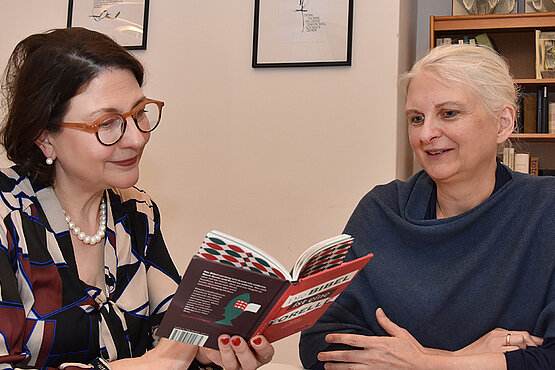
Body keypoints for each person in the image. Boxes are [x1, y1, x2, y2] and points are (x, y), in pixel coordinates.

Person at [0, 27, 274, 370]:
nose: (135, 138)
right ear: (45, 138)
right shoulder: (7, 220)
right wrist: (151, 363)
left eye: (139, 113)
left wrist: (209, 351)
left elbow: (171, 327)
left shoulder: (134, 210)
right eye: (107, 123)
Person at [299, 44, 555, 369]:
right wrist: (461, 360)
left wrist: (430, 362)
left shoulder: (546, 210)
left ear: (503, 122)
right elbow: (322, 343)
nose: (426, 134)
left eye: (449, 113)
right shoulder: (380, 210)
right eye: (416, 118)